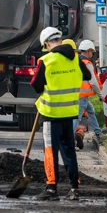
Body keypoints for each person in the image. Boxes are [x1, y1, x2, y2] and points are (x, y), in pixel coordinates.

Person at [31, 27, 91, 201]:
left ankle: (51, 189)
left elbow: (36, 85)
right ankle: (74, 188)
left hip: (51, 115)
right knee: (69, 151)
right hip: (70, 113)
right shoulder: (75, 59)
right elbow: (86, 75)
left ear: (47, 43)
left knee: (50, 151)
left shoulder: (46, 60)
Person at [74, 39, 102, 146]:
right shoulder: (87, 63)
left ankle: (98, 132)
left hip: (76, 94)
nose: (92, 54)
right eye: (92, 52)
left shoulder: (76, 61)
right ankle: (69, 141)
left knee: (91, 111)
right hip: (82, 95)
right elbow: (93, 82)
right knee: (77, 118)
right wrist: (100, 95)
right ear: (89, 51)